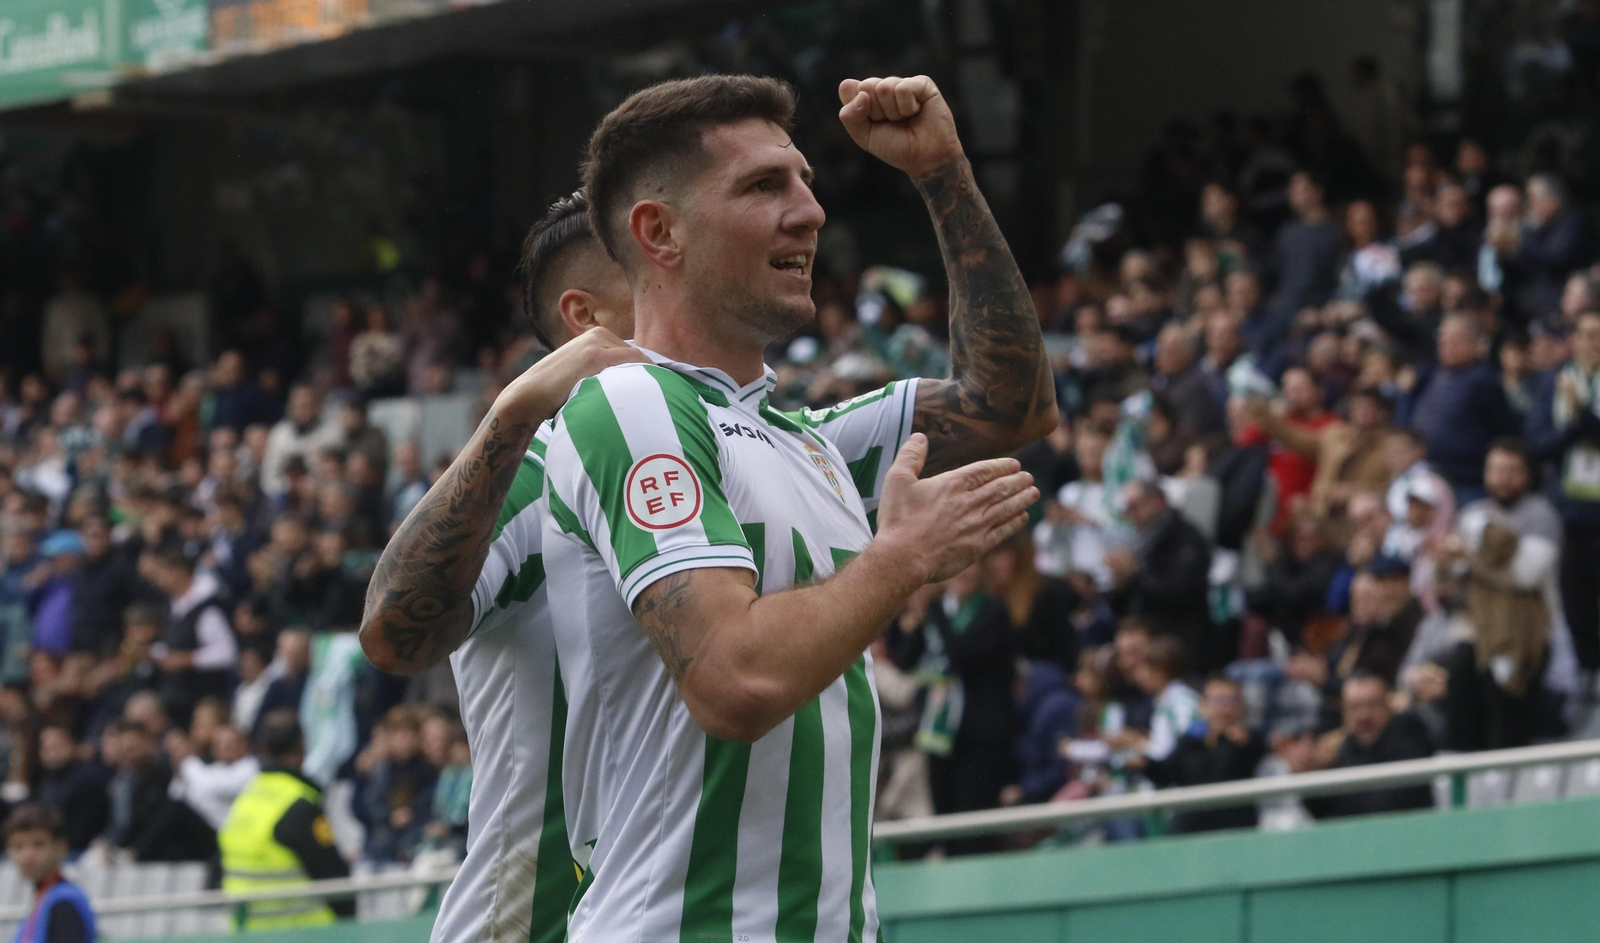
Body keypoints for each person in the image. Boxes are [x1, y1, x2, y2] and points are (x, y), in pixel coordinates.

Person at [361, 73, 1049, 943]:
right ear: (643, 257)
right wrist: (507, 419)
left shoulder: (797, 443)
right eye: (763, 188)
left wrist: (944, 170)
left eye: (801, 183)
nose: (808, 213)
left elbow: (1009, 403)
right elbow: (395, 634)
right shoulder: (553, 456)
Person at [219, 710, 353, 930]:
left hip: (250, 934)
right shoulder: (299, 804)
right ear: (302, 746)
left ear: (263, 747)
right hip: (302, 933)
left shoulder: (246, 798)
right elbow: (336, 883)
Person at [1527, 310, 1600, 676]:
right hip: (1568, 513)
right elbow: (1537, 445)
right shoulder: (1553, 382)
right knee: (1576, 604)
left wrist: (1583, 417)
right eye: (1588, 335)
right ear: (1575, 340)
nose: (1595, 343)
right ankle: (1587, 677)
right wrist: (1573, 429)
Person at [1407, 313, 1523, 503]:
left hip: (1465, 484)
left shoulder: (1483, 379)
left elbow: (1505, 427)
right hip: (1428, 477)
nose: (1446, 343)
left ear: (1477, 344)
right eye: (1443, 337)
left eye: (1456, 339)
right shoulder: (1438, 373)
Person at [1130, 675, 1266, 833]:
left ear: (1242, 706)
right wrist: (1146, 764)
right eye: (1218, 700)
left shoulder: (1249, 741)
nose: (1224, 708)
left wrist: (1241, 740)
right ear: (1203, 706)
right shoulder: (1190, 742)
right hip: (1190, 833)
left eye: (1231, 700)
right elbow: (1168, 772)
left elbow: (1258, 750)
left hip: (1234, 830)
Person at [1107, 481, 1213, 667]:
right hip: (1143, 639)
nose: (1130, 515)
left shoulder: (1185, 536)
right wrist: (1119, 584)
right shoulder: (1137, 541)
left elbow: (1182, 591)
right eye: (1125, 509)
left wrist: (1135, 575)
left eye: (1134, 506)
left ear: (1157, 501)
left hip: (1178, 640)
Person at [1303, 674, 1435, 819]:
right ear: (1344, 713)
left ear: (1388, 707)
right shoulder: (1337, 754)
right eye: (1355, 707)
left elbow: (1385, 806)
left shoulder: (1411, 739)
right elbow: (1323, 814)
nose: (1364, 716)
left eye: (1372, 705)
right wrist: (1312, 773)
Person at [5, 803, 95, 943]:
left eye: (38, 844)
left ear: (61, 847)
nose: (28, 855)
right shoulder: (43, 896)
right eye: (18, 846)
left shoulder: (64, 903)